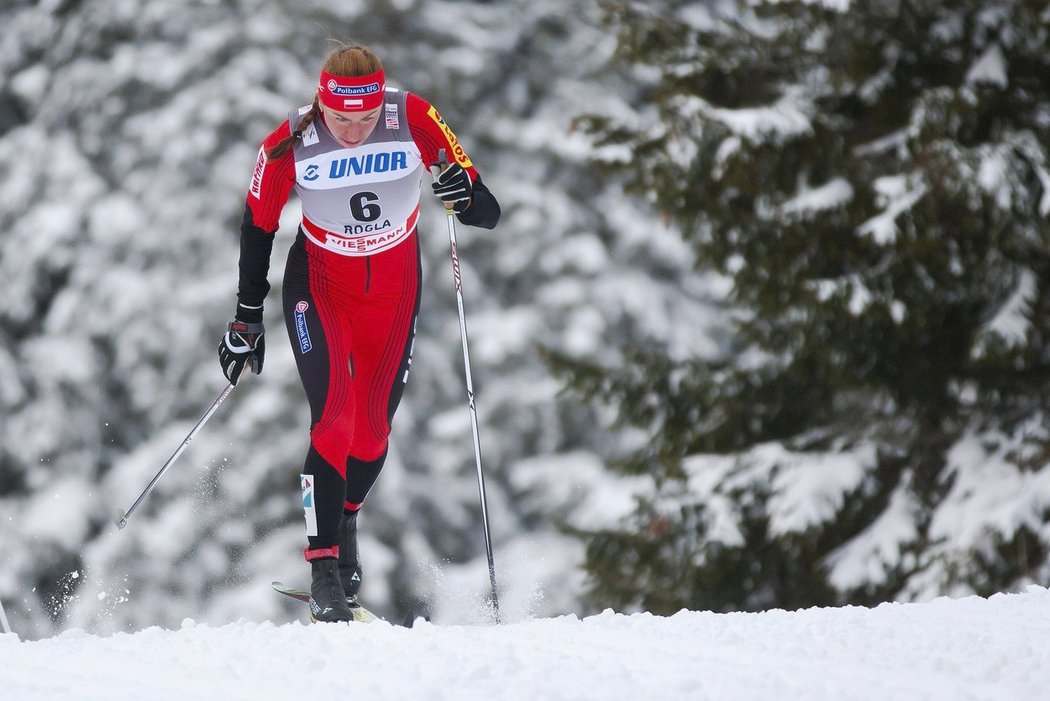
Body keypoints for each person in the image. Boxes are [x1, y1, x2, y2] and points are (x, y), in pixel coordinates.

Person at [217, 41, 500, 622]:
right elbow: (257, 227)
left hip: (393, 294)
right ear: (322, 105)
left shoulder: (414, 119)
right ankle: (324, 570)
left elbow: (487, 209)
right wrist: (247, 316)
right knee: (334, 416)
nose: (353, 131)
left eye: (365, 119)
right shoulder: (289, 141)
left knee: (371, 436)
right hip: (319, 287)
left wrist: (462, 196)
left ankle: (343, 521)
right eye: (341, 119)